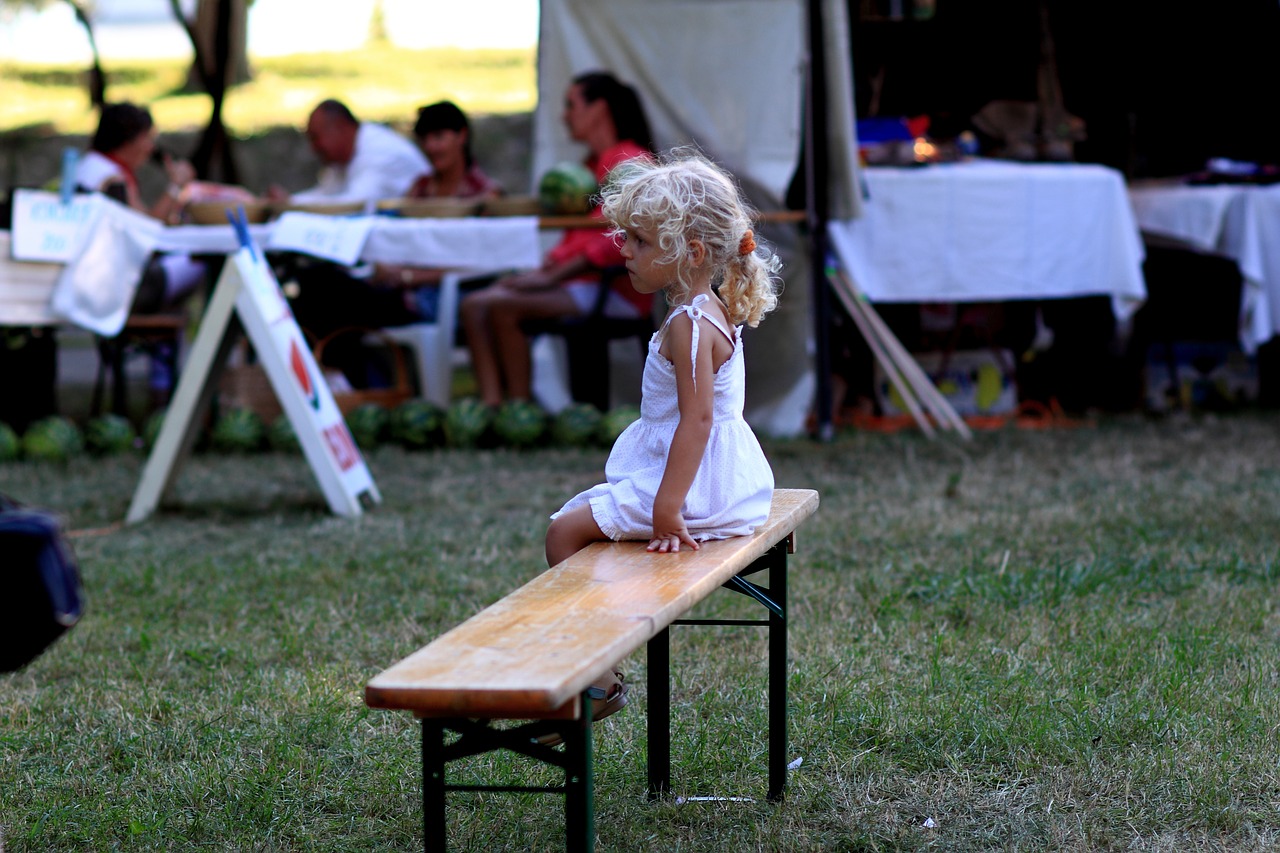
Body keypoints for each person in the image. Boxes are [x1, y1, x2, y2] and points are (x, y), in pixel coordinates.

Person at [542, 150, 783, 729]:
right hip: (719, 480)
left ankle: (596, 680)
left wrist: (666, 507)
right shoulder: (709, 311)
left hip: (695, 489)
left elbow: (697, 421)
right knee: (581, 522)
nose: (623, 249)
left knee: (563, 533)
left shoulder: (689, 325)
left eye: (640, 240)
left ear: (690, 252)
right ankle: (600, 655)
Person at [460, 71, 656, 407]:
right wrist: (548, 267)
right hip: (578, 282)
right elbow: (580, 235)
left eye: (571, 105)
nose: (564, 115)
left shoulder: (630, 162)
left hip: (614, 288)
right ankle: (493, 406)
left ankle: (519, 411)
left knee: (499, 306)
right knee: (472, 305)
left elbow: (616, 241)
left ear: (599, 109)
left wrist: (549, 276)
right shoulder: (588, 167)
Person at [269, 99, 430, 206]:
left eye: (316, 138)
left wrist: (291, 205)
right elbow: (327, 193)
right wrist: (289, 202)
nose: (313, 148)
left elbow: (353, 206)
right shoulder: (344, 158)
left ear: (340, 128)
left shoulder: (379, 152)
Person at [405, 100, 502, 200]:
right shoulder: (419, 189)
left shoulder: (485, 194)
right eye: (423, 138)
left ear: (462, 135)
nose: (429, 147)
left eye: (438, 136)